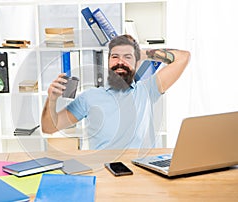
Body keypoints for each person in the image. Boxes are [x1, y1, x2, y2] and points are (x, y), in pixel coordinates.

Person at [41, 34, 190, 150]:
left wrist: (143, 54)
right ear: (108, 61)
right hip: (104, 173)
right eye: (115, 57)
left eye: (127, 57)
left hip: (142, 174)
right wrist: (52, 100)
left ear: (137, 62)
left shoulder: (149, 89)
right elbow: (49, 128)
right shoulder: (90, 97)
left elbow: (183, 57)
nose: (120, 62)